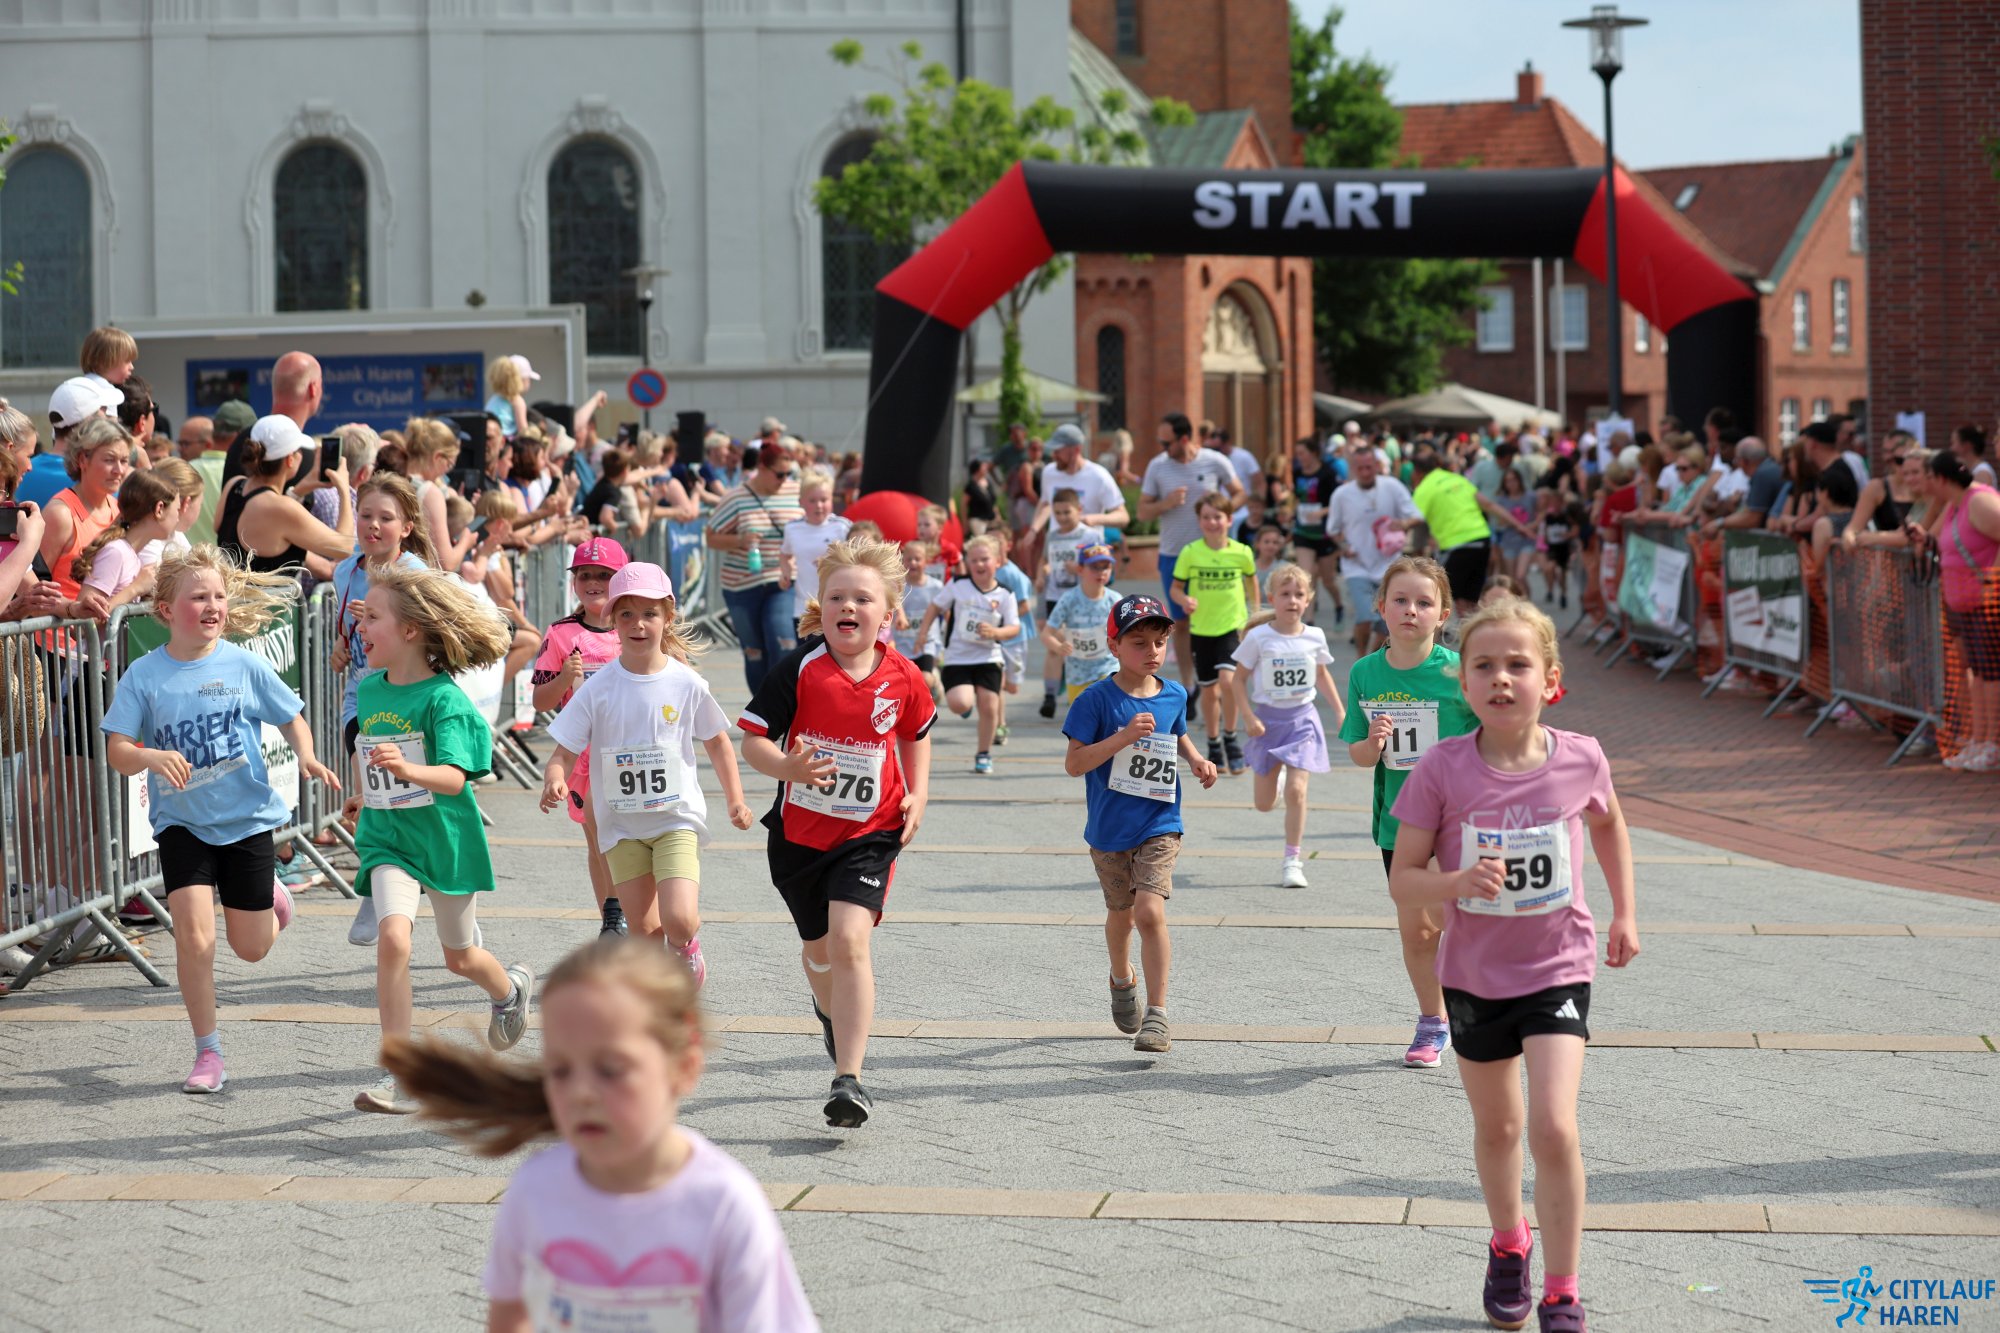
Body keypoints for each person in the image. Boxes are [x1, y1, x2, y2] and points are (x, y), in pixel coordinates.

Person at [1389, 597, 1639, 1333]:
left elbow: (1609, 824)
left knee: (1554, 1126)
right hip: (1473, 975)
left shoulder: (1582, 756)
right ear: (1463, 682)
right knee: (1499, 1129)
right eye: (1485, 665)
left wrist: (1625, 912)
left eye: (1518, 665)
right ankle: (1509, 1242)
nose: (1501, 678)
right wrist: (1456, 881)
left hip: (1559, 965)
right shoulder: (1442, 768)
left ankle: (1562, 1290)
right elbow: (1403, 879)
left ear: (1550, 680)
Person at [382, 938, 819, 1331]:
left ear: (684, 1065)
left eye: (611, 1069)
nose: (582, 1094)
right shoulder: (537, 1190)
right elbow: (510, 1317)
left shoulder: (723, 1204)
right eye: (560, 1070)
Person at [101, 546, 342, 1093]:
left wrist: (305, 754)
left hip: (246, 819)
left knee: (251, 948)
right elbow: (118, 750)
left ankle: (276, 898)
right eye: (198, 597)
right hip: (181, 823)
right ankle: (207, 1053)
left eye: (218, 596)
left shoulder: (242, 664)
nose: (213, 606)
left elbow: (291, 716)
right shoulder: (144, 675)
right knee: (194, 939)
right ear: (166, 609)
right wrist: (149, 756)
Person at [739, 538, 934, 1128]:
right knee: (819, 951)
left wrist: (919, 793)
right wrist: (788, 767)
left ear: (888, 613)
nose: (848, 607)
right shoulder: (800, 668)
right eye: (836, 597)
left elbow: (916, 733)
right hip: (799, 838)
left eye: (863, 599)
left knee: (851, 941)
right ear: (821, 606)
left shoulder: (904, 675)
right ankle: (829, 1012)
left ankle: (849, 1079)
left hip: (870, 833)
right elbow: (753, 740)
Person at [347, 564, 536, 1114]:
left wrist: (405, 770)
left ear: (410, 630)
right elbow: (371, 756)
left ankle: (508, 991)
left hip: (445, 841)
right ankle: (402, 1073)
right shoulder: (369, 690)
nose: (362, 627)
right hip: (389, 840)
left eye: (372, 617)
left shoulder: (445, 701)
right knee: (394, 940)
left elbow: (454, 778)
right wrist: (365, 794)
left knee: (461, 957)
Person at [542, 562, 754, 985]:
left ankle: (686, 948)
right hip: (621, 826)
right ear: (612, 620)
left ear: (667, 618)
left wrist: (736, 799)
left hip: (675, 820)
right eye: (626, 614)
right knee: (642, 930)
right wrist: (554, 778)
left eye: (649, 614)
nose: (638, 624)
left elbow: (717, 741)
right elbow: (563, 751)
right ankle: (661, 994)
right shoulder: (597, 688)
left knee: (680, 919)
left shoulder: (686, 682)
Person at [1061, 593, 1218, 1055]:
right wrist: (1123, 737)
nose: (1152, 651)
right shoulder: (1094, 700)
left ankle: (1158, 1014)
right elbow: (1074, 764)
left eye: (1159, 642)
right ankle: (1120, 977)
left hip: (1160, 821)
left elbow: (1176, 732)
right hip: (1109, 828)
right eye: (1138, 642)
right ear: (1113, 645)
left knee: (1149, 911)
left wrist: (1196, 759)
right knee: (1121, 914)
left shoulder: (1174, 693)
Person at [1340, 556, 1480, 1068]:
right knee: (1417, 933)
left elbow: (1495, 734)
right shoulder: (1365, 673)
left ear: (1443, 614)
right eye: (1400, 600)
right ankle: (1433, 1021)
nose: (1411, 610)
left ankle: (1478, 989)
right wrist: (1374, 744)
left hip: (1457, 819)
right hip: (1398, 823)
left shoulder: (1458, 671)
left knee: (1445, 914)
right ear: (1381, 607)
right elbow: (1358, 753)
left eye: (1424, 602)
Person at [327, 474, 439, 946]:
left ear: (407, 527)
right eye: (366, 515)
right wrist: (342, 644)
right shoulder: (344, 571)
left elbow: (432, 638)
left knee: (418, 807)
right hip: (362, 697)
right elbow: (348, 635)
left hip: (410, 700)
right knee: (371, 796)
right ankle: (375, 890)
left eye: (386, 518)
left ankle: (450, 897)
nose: (373, 525)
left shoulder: (416, 574)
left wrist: (385, 620)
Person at [532, 538, 632, 934]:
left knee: (627, 839)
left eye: (604, 575)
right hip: (583, 755)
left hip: (633, 751)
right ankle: (613, 921)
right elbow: (540, 701)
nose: (593, 583)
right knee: (597, 841)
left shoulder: (636, 625)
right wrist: (564, 679)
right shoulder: (561, 633)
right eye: (584, 575)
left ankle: (628, 914)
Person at [1230, 562, 1344, 888]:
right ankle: (1277, 781)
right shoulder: (1259, 637)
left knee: (1298, 791)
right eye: (1285, 594)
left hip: (1302, 721)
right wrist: (1248, 717)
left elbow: (1321, 674)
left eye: (1299, 594)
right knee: (1264, 805)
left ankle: (1292, 861)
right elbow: (1237, 681)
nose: (1292, 600)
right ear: (1272, 598)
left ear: (1308, 600)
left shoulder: (1315, 636)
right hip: (1267, 723)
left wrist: (1340, 711)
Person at [1139, 413, 1244, 706]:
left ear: (1184, 439)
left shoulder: (1215, 461)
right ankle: (1189, 684)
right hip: (1174, 554)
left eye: (1166, 442)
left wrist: (1219, 513)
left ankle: (1220, 678)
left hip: (1212, 555)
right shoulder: (1158, 466)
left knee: (1220, 620)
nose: (1162, 447)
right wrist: (1166, 503)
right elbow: (1142, 512)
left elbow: (1240, 493)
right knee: (1181, 623)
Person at [1911, 451, 2000, 772]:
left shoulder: (1980, 502)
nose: (1925, 483)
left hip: (1987, 602)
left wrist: (1993, 579)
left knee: (1991, 675)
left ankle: (1992, 743)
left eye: (1928, 476)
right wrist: (1922, 538)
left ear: (1942, 479)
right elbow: (1938, 540)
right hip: (1965, 603)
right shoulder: (1954, 505)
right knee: (1978, 674)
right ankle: (1980, 739)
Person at [1170, 493, 1259, 774]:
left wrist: (1255, 616)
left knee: (1229, 681)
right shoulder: (1190, 552)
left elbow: (1252, 583)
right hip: (1202, 630)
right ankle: (1213, 742)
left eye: (1217, 517)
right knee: (1209, 690)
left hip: (1232, 627)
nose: (1212, 522)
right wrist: (1184, 600)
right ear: (1199, 521)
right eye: (1206, 517)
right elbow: (1175, 588)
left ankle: (1231, 738)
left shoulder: (1242, 552)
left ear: (1229, 519)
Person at [916, 534, 1019, 774]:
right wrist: (923, 632)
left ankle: (983, 753)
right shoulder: (958, 584)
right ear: (968, 563)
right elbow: (935, 606)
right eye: (974, 560)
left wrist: (996, 632)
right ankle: (965, 705)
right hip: (958, 658)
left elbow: (1014, 627)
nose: (979, 564)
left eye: (985, 559)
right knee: (959, 703)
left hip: (989, 657)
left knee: (990, 704)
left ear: (997, 562)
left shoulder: (1005, 594)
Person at [706, 439, 802, 691]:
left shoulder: (795, 492)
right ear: (762, 468)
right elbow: (711, 537)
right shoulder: (737, 497)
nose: (784, 479)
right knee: (754, 652)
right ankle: (760, 707)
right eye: (779, 474)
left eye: (788, 474)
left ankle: (781, 703)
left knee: (783, 641)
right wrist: (740, 539)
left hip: (782, 581)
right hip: (741, 585)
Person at [215, 415, 354, 581]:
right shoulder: (282, 508)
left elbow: (264, 518)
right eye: (299, 451)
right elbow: (345, 547)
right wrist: (344, 489)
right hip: (270, 598)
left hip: (232, 595)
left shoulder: (234, 485)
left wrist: (303, 486)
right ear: (290, 460)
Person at [1409, 446, 1533, 616]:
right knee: (1472, 597)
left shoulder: (1424, 488)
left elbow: (1413, 518)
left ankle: (1470, 630)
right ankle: (1479, 626)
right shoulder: (1457, 479)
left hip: (1456, 545)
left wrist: (1396, 526)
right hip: (1482, 540)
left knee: (1454, 597)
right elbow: (1489, 504)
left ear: (1417, 471)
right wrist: (1520, 526)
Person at [1326, 444, 1423, 657]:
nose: (1365, 473)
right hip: (1356, 567)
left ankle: (1371, 660)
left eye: (1369, 467)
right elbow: (1333, 530)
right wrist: (1344, 547)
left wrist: (1403, 524)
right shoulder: (1341, 495)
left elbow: (1417, 516)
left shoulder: (1392, 487)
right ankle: (1360, 659)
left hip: (1389, 566)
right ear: (1353, 468)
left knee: (1386, 622)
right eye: (1360, 468)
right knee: (1365, 617)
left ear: (1377, 466)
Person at [1038, 494, 1108, 715]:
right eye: (1057, 513)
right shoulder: (1052, 536)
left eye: (1066, 512)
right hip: (1056, 595)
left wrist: (1077, 567)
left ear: (1079, 509)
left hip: (1084, 597)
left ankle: (1093, 683)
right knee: (1055, 644)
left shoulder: (1090, 535)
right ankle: (1049, 696)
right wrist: (1041, 575)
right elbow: (1044, 560)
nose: (1062, 517)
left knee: (1084, 643)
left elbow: (1101, 562)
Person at [73, 469, 180, 612]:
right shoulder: (116, 552)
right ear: (159, 509)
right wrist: (136, 588)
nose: (178, 517)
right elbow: (85, 617)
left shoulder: (131, 554)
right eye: (177, 509)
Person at [1041, 543, 1120, 708]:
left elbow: (1127, 634)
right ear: (1080, 569)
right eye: (1095, 567)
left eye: (1106, 567)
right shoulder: (1069, 599)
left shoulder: (1115, 600)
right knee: (1083, 721)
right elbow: (1046, 634)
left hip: (1108, 669)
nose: (1101, 572)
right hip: (1077, 675)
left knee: (1108, 715)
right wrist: (1058, 647)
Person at [778, 471, 852, 627]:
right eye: (812, 500)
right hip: (804, 607)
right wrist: (785, 573)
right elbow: (785, 554)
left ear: (831, 500)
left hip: (838, 606)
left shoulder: (842, 526)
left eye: (824, 500)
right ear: (801, 502)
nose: (819, 505)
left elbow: (857, 558)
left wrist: (832, 561)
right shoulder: (792, 528)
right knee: (806, 643)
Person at [1289, 438, 1345, 627]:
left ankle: (1338, 604)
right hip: (1303, 531)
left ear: (1313, 453)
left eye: (1302, 453)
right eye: (1297, 454)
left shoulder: (1328, 473)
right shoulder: (1297, 472)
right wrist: (1292, 510)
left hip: (1324, 533)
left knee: (1328, 580)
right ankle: (1309, 620)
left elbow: (1338, 503)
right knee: (1306, 576)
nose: (1299, 457)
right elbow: (1298, 497)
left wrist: (1321, 512)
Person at [1843, 442, 1931, 549]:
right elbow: (1903, 532)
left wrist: (1870, 537)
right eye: (1906, 474)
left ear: (1930, 473)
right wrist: (1853, 537)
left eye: (1915, 472)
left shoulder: (1934, 501)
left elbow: (1909, 538)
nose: (1909, 479)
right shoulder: (1919, 503)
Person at [893, 539, 946, 701]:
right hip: (902, 642)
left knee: (925, 677)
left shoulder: (936, 586)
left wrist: (946, 638)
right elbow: (893, 603)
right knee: (905, 681)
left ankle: (934, 681)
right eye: (908, 559)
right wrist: (900, 615)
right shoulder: (897, 586)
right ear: (902, 561)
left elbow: (946, 611)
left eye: (917, 559)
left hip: (926, 641)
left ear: (926, 561)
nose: (913, 563)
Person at [484, 354, 535, 440]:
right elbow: (523, 432)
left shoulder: (494, 398)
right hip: (504, 442)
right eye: (528, 379)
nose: (530, 382)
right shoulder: (517, 401)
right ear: (520, 380)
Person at [1952, 424, 1996, 490]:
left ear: (1966, 445)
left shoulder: (1982, 473)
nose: (1952, 448)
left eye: (1953, 443)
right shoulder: (1968, 469)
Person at [963, 457, 999, 534]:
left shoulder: (988, 483)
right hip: (978, 520)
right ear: (977, 469)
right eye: (983, 466)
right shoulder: (971, 487)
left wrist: (998, 515)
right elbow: (964, 505)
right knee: (983, 539)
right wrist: (965, 522)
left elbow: (992, 502)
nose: (986, 468)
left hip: (991, 520)